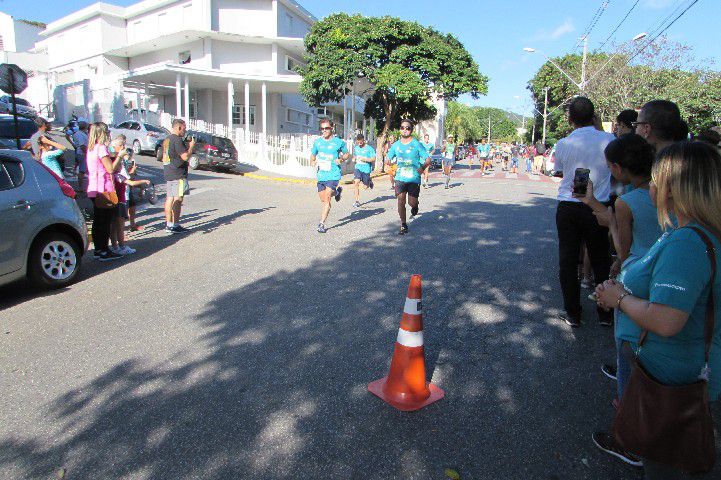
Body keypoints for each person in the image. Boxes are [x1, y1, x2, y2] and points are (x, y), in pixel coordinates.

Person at [593, 141, 721, 477]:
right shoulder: (686, 232)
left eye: (655, 179)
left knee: (664, 462)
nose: (649, 186)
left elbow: (666, 320)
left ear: (673, 188)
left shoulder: (687, 242)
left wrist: (618, 299)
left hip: (672, 380)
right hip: (681, 370)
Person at [578, 133, 664, 388]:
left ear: (616, 167)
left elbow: (624, 251)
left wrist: (612, 224)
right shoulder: (664, 193)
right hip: (661, 272)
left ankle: (626, 410)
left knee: (627, 343)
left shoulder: (627, 202)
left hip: (638, 275)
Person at [554, 96, 616, 328]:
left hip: (570, 205)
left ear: (570, 119)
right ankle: (605, 312)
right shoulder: (609, 139)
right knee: (600, 259)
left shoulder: (564, 143)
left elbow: (561, 172)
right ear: (594, 116)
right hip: (597, 206)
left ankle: (573, 313)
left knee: (568, 261)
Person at [86, 122, 122, 261]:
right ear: (102, 133)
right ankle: (104, 251)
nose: (108, 134)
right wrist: (120, 156)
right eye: (106, 131)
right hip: (104, 189)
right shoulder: (101, 148)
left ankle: (98, 250)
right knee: (105, 221)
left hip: (93, 188)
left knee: (98, 221)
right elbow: (110, 169)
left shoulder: (91, 148)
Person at [387, 119, 430, 235]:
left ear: (411, 130)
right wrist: (390, 164)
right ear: (400, 129)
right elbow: (388, 159)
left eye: (408, 128)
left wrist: (422, 168)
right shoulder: (396, 145)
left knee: (412, 202)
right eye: (402, 127)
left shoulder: (416, 144)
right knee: (400, 199)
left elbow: (428, 159)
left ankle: (415, 206)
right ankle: (403, 224)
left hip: (414, 178)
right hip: (400, 177)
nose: (405, 130)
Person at [310, 119, 349, 233]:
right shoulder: (317, 142)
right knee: (323, 199)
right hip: (321, 175)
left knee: (327, 197)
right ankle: (337, 192)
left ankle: (321, 224)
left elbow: (347, 154)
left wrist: (341, 159)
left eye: (326, 128)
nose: (324, 131)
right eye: (322, 128)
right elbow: (312, 156)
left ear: (332, 128)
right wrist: (312, 162)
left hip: (333, 174)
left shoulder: (339, 142)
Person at [161, 118, 196, 234]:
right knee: (178, 199)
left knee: (169, 198)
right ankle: (175, 225)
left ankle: (168, 224)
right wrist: (191, 146)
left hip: (169, 172)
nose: (185, 131)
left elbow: (163, 156)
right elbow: (185, 156)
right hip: (178, 173)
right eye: (184, 129)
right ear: (179, 127)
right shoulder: (176, 140)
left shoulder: (167, 139)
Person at [352, 134, 375, 207]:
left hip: (366, 169)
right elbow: (354, 156)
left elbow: (373, 159)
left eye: (360, 141)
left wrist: (365, 159)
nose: (359, 142)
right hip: (358, 167)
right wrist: (353, 159)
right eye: (358, 141)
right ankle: (356, 201)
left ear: (363, 140)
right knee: (356, 182)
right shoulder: (356, 148)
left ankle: (369, 181)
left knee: (365, 187)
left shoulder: (369, 148)